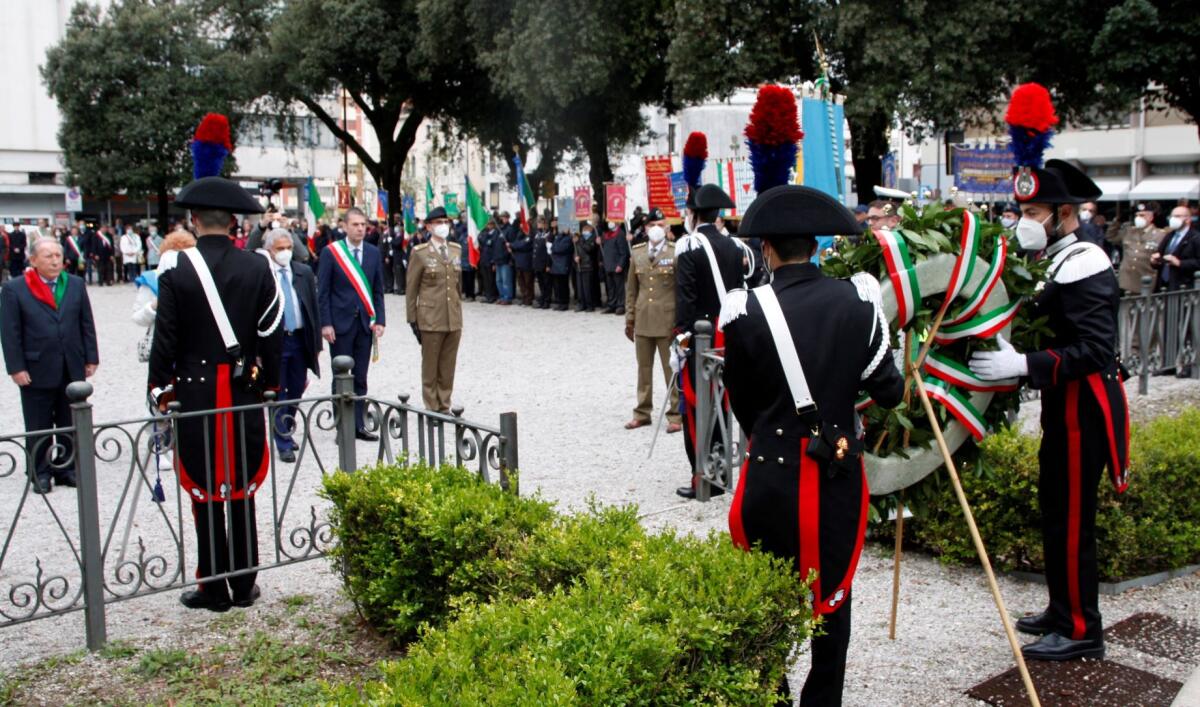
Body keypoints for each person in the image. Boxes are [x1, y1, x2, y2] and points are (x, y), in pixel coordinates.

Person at [721, 185, 904, 706]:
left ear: (766, 250)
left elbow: (743, 404)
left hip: (770, 476)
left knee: (765, 597)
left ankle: (774, 696)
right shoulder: (860, 301)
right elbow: (889, 391)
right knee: (833, 602)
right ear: (818, 246)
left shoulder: (745, 310)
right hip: (835, 475)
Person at [970, 149, 1128, 661]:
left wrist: (1024, 366)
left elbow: (1095, 351)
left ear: (1065, 214)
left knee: (1073, 519)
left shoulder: (1085, 261)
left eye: (1033, 214)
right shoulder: (1056, 259)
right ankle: (1062, 609)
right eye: (1021, 213)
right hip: (1065, 409)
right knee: (1056, 510)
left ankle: (1083, 627)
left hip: (1086, 409)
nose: (1023, 223)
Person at [0, 238, 99, 494]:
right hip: (35, 367)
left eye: (58, 255)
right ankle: (39, 472)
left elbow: (86, 323)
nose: (55, 260)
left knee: (69, 419)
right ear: (33, 260)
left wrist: (91, 357)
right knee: (39, 423)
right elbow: (10, 333)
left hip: (70, 364)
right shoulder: (15, 289)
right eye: (48, 256)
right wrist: (16, 367)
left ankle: (66, 468)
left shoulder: (75, 284)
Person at [674, 183, 742, 499]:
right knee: (724, 402)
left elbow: (686, 299)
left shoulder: (689, 246)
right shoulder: (733, 246)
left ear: (693, 213)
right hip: (729, 333)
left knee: (696, 404)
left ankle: (703, 476)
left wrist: (681, 339)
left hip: (702, 335)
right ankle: (723, 470)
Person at [317, 207, 386, 440]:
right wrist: (325, 323)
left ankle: (358, 424)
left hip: (365, 324)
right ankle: (342, 427)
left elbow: (378, 290)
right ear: (344, 226)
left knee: (360, 376)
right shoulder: (332, 253)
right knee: (341, 378)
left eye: (363, 224)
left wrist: (380, 320)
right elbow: (323, 291)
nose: (360, 228)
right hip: (340, 324)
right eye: (355, 224)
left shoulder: (374, 253)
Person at [263, 228, 321, 463]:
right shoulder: (264, 274)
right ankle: (283, 440)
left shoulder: (303, 272)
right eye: (280, 249)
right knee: (279, 390)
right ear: (270, 251)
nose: (285, 252)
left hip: (299, 338)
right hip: (276, 341)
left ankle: (286, 427)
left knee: (296, 388)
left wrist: (316, 343)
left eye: (288, 248)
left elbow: (313, 308)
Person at [623, 208, 681, 434]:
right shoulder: (637, 253)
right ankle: (642, 412)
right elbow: (631, 289)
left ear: (667, 227)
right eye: (651, 224)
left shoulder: (675, 252)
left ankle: (675, 414)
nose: (655, 228)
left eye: (660, 223)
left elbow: (680, 290)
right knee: (643, 369)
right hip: (643, 320)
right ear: (645, 228)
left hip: (667, 322)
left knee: (671, 369)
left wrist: (679, 322)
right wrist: (630, 319)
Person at [406, 207, 463, 412]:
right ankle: (432, 406)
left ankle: (444, 405)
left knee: (448, 365)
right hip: (430, 317)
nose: (443, 226)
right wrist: (412, 320)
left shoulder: (455, 250)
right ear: (429, 226)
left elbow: (457, 286)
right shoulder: (420, 253)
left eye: (446, 222)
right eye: (439, 223)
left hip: (452, 317)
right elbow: (412, 290)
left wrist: (458, 311)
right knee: (430, 366)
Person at [1105, 202, 1164, 294]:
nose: (1138, 218)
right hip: (1125, 280)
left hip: (1145, 280)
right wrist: (1118, 221)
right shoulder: (1129, 231)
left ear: (1151, 217)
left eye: (1142, 215)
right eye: (1137, 215)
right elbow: (1110, 237)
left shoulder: (1160, 234)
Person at [1150, 204, 1199, 292]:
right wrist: (1155, 261)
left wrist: (1180, 263)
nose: (1173, 219)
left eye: (1177, 216)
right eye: (1172, 216)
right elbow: (1161, 255)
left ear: (1188, 219)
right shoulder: (1169, 235)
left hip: (1183, 287)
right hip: (1163, 285)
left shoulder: (1195, 237)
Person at [600, 220, 630, 314]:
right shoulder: (607, 234)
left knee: (619, 287)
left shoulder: (620, 234)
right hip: (608, 265)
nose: (610, 222)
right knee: (610, 287)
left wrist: (620, 265)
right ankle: (611, 304)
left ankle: (620, 305)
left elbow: (623, 252)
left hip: (616, 266)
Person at [574, 223, 600, 311]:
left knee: (587, 288)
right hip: (579, 266)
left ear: (590, 231)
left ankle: (590, 305)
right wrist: (575, 258)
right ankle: (582, 304)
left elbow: (589, 249)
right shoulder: (579, 240)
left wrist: (580, 241)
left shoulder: (592, 239)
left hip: (588, 266)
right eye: (583, 230)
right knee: (580, 288)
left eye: (586, 230)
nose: (584, 232)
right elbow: (576, 251)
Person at [491, 212, 515, 305]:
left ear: (508, 218)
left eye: (505, 217)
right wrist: (494, 260)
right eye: (502, 217)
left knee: (506, 280)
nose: (503, 219)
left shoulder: (510, 229)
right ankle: (501, 296)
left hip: (505, 259)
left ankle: (507, 297)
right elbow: (495, 245)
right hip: (498, 259)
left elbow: (511, 244)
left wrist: (510, 258)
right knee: (498, 280)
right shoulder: (498, 229)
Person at [549, 224, 574, 311]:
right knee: (557, 285)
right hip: (556, 264)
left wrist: (555, 248)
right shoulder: (558, 237)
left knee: (563, 285)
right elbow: (553, 247)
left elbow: (560, 249)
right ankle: (559, 302)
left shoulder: (569, 238)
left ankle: (564, 303)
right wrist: (559, 237)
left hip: (563, 264)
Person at [512, 219, 535, 305]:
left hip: (527, 262)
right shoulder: (519, 234)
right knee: (521, 282)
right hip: (519, 262)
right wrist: (514, 245)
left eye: (524, 224)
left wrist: (515, 246)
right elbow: (515, 243)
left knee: (528, 281)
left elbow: (523, 245)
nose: (521, 226)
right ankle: (524, 297)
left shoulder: (530, 235)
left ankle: (529, 298)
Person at [532, 220, 551, 309]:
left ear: (545, 224)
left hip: (544, 263)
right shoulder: (537, 234)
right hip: (537, 263)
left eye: (540, 223)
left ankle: (547, 301)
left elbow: (549, 252)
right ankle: (542, 299)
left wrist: (548, 264)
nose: (538, 224)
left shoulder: (548, 235)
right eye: (538, 223)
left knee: (546, 283)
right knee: (541, 283)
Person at [477, 219, 497, 303]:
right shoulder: (485, 233)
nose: (488, 226)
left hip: (490, 261)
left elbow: (495, 249)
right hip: (484, 260)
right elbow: (481, 241)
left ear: (493, 225)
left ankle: (492, 296)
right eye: (487, 224)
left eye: (490, 224)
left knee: (491, 279)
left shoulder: (495, 234)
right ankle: (488, 295)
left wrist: (493, 262)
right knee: (485, 279)